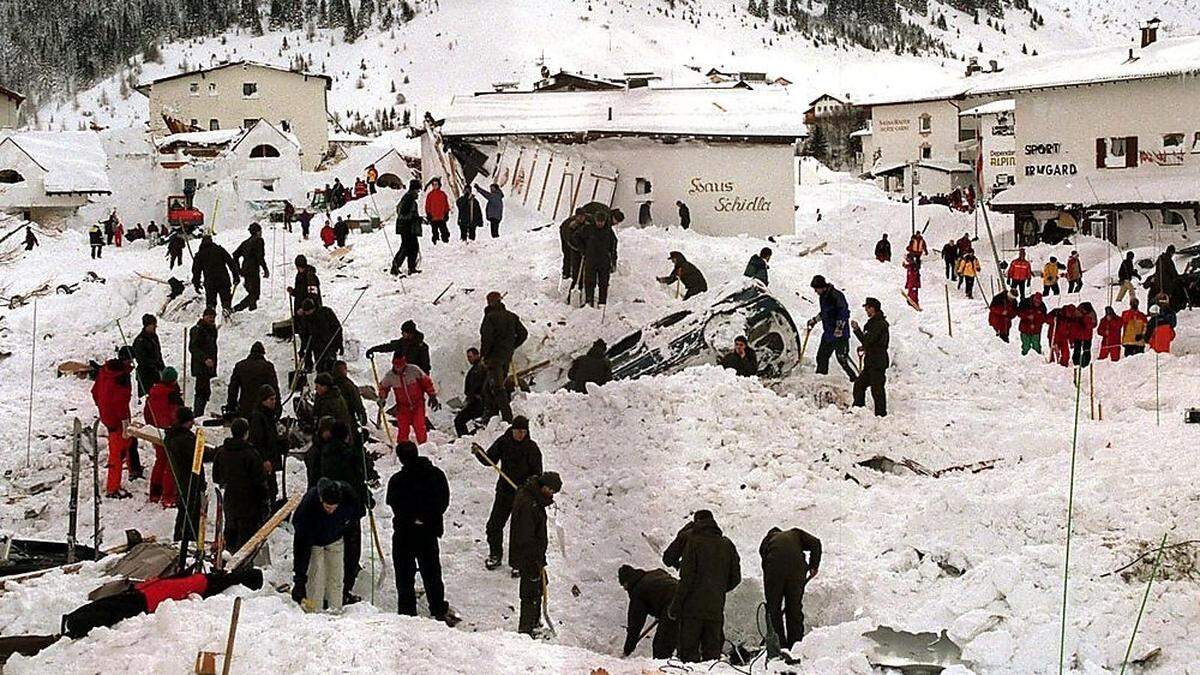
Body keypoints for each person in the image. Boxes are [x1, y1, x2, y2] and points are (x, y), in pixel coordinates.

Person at [62, 567, 264, 639]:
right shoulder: (202, 580)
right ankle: (76, 623)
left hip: (147, 597)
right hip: (147, 595)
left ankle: (77, 624)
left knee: (109, 607)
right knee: (108, 607)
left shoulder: (203, 581)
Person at [388, 440, 455, 623]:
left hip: (404, 533)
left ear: (401, 459)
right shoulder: (436, 475)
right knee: (432, 572)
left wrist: (412, 518)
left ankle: (407, 612)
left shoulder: (397, 481)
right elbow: (443, 501)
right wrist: (427, 517)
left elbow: (395, 505)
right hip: (428, 531)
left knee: (404, 575)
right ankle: (438, 607)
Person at [668, 509, 741, 663]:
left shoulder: (693, 541)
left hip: (691, 609)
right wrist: (718, 588)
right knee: (712, 660)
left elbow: (686, 578)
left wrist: (675, 606)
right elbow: (736, 578)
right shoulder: (727, 544)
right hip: (715, 608)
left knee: (688, 660)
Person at [474, 416, 543, 571]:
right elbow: (489, 459)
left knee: (520, 530)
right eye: (518, 431)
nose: (520, 434)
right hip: (505, 491)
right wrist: (479, 453)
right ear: (512, 430)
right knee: (494, 525)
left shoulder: (532, 448)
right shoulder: (503, 442)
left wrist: (527, 487)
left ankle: (518, 563)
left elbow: (538, 474)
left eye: (524, 431)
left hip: (523, 495)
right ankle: (495, 555)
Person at [291, 478, 362, 614]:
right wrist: (299, 578)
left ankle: (336, 609)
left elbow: (354, 523)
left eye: (334, 507)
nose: (330, 510)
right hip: (314, 542)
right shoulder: (308, 507)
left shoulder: (349, 497)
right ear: (321, 499)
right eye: (327, 507)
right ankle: (314, 611)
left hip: (336, 538)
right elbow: (301, 545)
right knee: (315, 578)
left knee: (336, 577)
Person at [509, 471, 563, 637]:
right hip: (529, 556)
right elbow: (527, 535)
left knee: (538, 587)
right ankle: (526, 628)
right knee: (530, 592)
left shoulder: (533, 499)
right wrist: (534, 559)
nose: (552, 495)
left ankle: (535, 621)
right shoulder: (529, 504)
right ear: (545, 487)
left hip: (534, 555)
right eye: (551, 491)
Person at [212, 417, 269, 554]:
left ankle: (227, 565)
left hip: (230, 500)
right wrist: (264, 501)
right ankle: (242, 569)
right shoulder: (251, 454)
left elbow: (217, 477)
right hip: (249, 503)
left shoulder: (222, 452)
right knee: (246, 542)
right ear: (246, 433)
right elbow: (259, 482)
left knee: (230, 535)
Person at [760, 527, 821, 649]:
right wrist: (814, 565)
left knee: (774, 609)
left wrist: (772, 592)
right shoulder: (796, 533)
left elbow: (765, 564)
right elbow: (816, 543)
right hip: (796, 569)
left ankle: (778, 647)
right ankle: (796, 646)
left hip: (774, 569)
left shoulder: (767, 540)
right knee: (794, 607)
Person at [92, 347, 142, 498]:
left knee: (127, 444)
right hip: (118, 419)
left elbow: (94, 391)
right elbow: (120, 402)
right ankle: (113, 488)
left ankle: (133, 469)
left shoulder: (105, 370)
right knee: (117, 453)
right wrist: (125, 421)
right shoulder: (122, 377)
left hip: (107, 416)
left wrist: (103, 407)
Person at [480, 292, 528, 423]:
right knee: (489, 387)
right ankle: (492, 416)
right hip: (506, 357)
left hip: (493, 358)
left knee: (497, 388)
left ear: (489, 302)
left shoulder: (490, 318)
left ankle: (507, 418)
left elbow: (486, 339)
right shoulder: (511, 316)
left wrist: (483, 355)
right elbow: (523, 334)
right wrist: (511, 346)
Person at [164, 407, 207, 542]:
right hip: (190, 481)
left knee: (183, 513)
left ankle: (179, 539)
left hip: (181, 480)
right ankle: (189, 541)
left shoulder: (172, 436)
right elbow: (200, 454)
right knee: (191, 514)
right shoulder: (184, 440)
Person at [618, 565, 679, 659]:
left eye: (624, 586)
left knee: (661, 647)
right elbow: (666, 588)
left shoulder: (638, 590)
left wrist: (628, 649)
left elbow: (635, 625)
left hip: (673, 607)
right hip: (689, 597)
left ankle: (662, 672)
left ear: (627, 583)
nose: (625, 589)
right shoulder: (655, 573)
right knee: (686, 645)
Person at [377, 354, 439, 446]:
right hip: (402, 406)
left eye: (401, 365)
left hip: (418, 404)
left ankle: (423, 447)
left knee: (419, 427)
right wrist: (382, 397)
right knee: (403, 428)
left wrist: (432, 395)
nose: (399, 368)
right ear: (393, 364)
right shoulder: (390, 376)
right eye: (397, 366)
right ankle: (401, 449)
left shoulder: (414, 370)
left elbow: (426, 382)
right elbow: (383, 387)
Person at [144, 367, 183, 506]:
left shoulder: (153, 392)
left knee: (160, 461)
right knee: (170, 465)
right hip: (170, 432)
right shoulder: (172, 395)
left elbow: (147, 413)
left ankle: (155, 493)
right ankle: (168, 496)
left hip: (156, 430)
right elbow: (177, 415)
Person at [807, 276, 857, 381]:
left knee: (842, 358)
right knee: (821, 357)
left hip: (840, 335)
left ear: (822, 287)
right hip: (828, 334)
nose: (815, 291)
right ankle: (821, 379)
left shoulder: (836, 296)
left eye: (816, 289)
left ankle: (856, 379)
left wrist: (839, 328)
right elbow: (825, 313)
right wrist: (814, 320)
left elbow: (843, 312)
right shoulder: (823, 297)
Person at [851, 298, 889, 417]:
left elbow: (868, 341)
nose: (866, 310)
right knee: (859, 385)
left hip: (877, 361)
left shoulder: (878, 324)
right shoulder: (874, 323)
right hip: (871, 361)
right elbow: (869, 342)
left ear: (873, 308)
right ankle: (859, 409)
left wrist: (857, 330)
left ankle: (881, 415)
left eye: (867, 308)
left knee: (877, 390)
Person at [249, 385, 285, 502]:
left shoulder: (269, 415)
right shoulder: (258, 417)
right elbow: (257, 440)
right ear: (263, 400)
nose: (274, 402)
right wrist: (264, 459)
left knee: (272, 488)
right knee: (267, 489)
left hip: (270, 457)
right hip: (264, 461)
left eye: (275, 399)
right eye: (271, 399)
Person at [226, 342, 279, 420]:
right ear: (263, 353)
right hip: (263, 410)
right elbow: (274, 389)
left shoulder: (240, 366)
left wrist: (231, 406)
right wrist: (277, 408)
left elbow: (233, 389)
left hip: (245, 408)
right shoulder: (268, 367)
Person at [576, 212, 619, 307]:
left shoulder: (608, 231)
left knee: (603, 283)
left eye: (602, 222)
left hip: (604, 261)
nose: (600, 224)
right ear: (595, 221)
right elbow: (577, 237)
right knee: (590, 282)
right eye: (598, 221)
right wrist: (583, 250)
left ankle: (602, 302)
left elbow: (613, 245)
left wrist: (613, 259)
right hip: (591, 260)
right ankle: (589, 301)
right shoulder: (588, 229)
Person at [191, 235, 239, 314]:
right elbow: (231, 263)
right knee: (226, 301)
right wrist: (236, 276)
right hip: (223, 280)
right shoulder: (219, 250)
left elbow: (196, 272)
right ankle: (227, 316)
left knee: (211, 304)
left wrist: (196, 284)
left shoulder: (200, 255)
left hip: (210, 283)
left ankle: (210, 319)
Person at [366, 320, 432, 375]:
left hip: (416, 378)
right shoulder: (402, 342)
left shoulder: (422, 347)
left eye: (404, 332)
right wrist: (374, 349)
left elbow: (425, 366)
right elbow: (388, 347)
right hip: (403, 376)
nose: (402, 333)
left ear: (410, 333)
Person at [297, 299, 343, 374]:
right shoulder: (305, 319)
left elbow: (337, 328)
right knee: (320, 368)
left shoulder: (326, 312)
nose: (308, 313)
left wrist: (339, 343)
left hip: (330, 345)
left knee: (331, 367)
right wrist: (303, 350)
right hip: (317, 348)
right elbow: (305, 337)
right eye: (306, 312)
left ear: (313, 308)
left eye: (309, 311)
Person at [232, 222, 269, 312]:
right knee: (255, 294)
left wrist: (239, 269)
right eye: (260, 231)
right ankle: (236, 309)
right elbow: (260, 257)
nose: (261, 232)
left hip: (245, 269)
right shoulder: (259, 241)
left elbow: (235, 254)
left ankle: (253, 308)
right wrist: (265, 269)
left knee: (251, 290)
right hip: (253, 270)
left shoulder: (245, 243)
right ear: (257, 232)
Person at [188, 307, 219, 416]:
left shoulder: (211, 330)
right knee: (201, 391)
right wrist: (205, 359)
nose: (212, 319)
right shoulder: (198, 330)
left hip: (207, 367)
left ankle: (199, 413)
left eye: (213, 317)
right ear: (204, 317)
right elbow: (193, 348)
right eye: (210, 317)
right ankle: (197, 414)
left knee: (205, 392)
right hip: (200, 366)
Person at [392, 179, 423, 275]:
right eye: (418, 189)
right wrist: (416, 218)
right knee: (407, 247)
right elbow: (404, 214)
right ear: (414, 189)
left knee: (412, 247)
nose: (418, 192)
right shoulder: (408, 198)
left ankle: (411, 267)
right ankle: (396, 267)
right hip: (407, 227)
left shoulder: (409, 198)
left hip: (407, 227)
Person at [454, 348, 486, 436]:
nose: (469, 359)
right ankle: (466, 439)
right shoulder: (476, 369)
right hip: (476, 401)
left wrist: (472, 398)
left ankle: (465, 439)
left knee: (459, 420)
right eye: (468, 357)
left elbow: (476, 387)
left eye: (470, 357)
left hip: (478, 402)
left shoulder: (479, 369)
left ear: (477, 355)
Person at [131, 313, 164, 398]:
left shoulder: (154, 337)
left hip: (156, 373)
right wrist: (154, 363)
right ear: (147, 325)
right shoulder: (140, 341)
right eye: (153, 325)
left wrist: (162, 366)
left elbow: (158, 353)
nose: (155, 327)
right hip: (145, 375)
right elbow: (142, 360)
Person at [333, 360, 369, 431]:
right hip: (346, 418)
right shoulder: (349, 385)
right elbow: (357, 402)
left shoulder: (329, 383)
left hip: (335, 418)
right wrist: (362, 415)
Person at [560, 210, 586, 291]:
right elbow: (569, 241)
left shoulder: (588, 224)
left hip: (582, 250)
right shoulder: (570, 226)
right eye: (579, 216)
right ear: (576, 216)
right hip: (573, 248)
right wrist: (579, 249)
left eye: (583, 216)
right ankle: (567, 274)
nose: (581, 218)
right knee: (568, 256)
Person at [425, 177, 451, 245]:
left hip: (441, 217)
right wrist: (428, 214)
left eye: (436, 184)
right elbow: (427, 205)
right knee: (435, 232)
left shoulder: (443, 194)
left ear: (439, 185)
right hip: (433, 218)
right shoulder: (430, 195)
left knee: (444, 231)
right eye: (433, 184)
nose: (434, 186)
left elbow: (446, 205)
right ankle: (435, 243)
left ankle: (446, 242)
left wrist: (446, 213)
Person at [1073, 302, 1097, 367]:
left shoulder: (1091, 315)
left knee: (1086, 350)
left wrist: (1083, 319)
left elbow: (1093, 325)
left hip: (1087, 336)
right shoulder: (1077, 313)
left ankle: (1085, 363)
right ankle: (1076, 363)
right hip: (1078, 335)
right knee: (1077, 350)